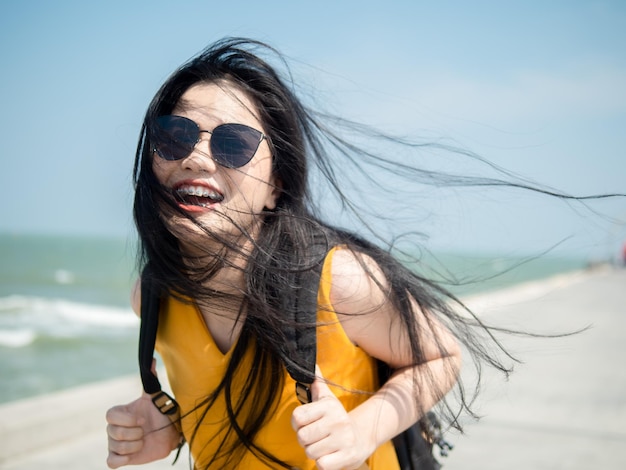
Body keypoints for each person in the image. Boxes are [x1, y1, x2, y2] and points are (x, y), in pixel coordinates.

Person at [103, 38, 534, 469]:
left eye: (233, 144)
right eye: (174, 137)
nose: (195, 158)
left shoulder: (337, 281)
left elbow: (440, 356)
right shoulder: (154, 295)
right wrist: (171, 427)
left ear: (276, 186)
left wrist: (361, 431)